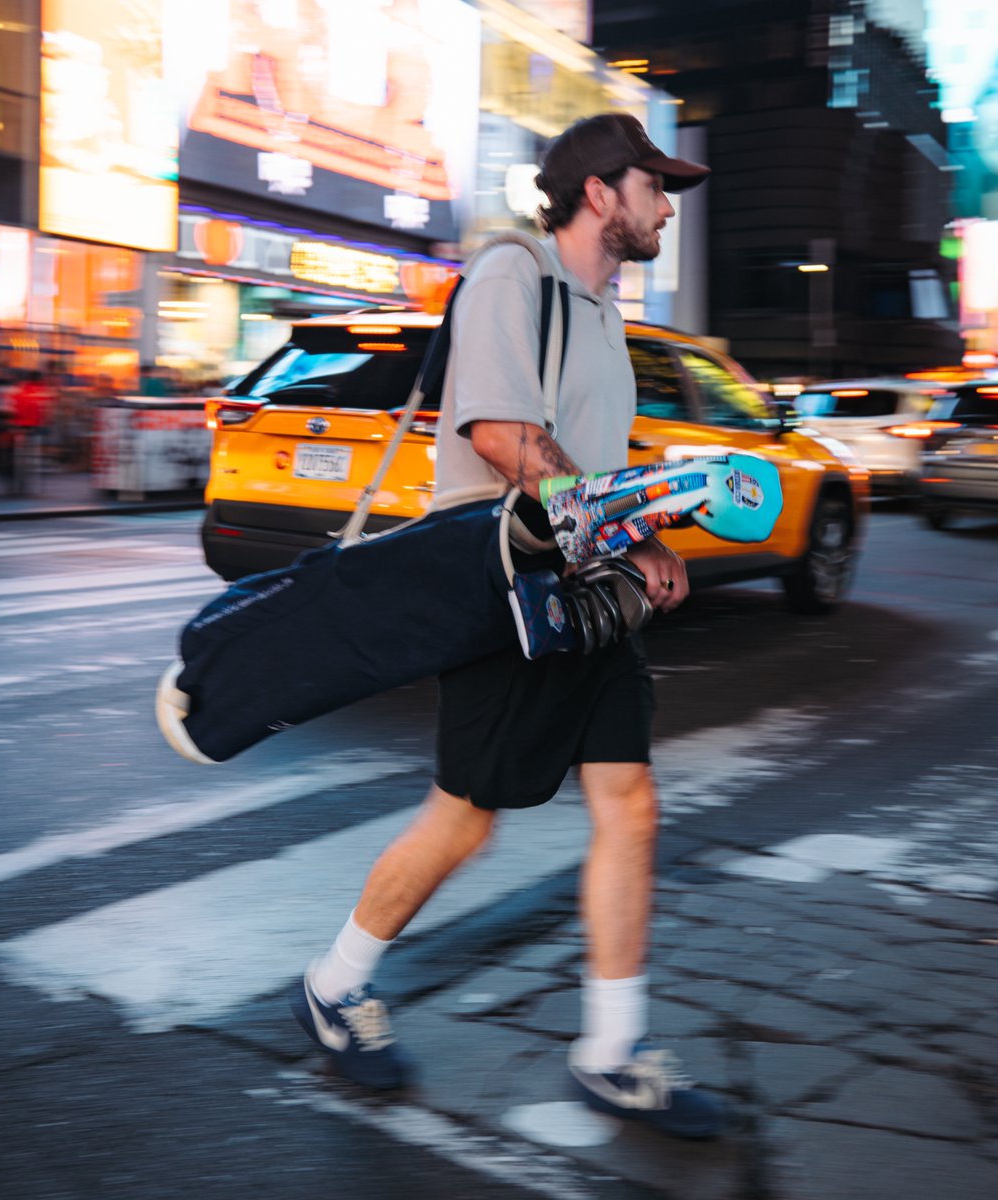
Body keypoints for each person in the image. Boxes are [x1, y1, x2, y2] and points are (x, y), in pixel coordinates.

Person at [293, 113, 723, 1138]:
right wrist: (618, 525)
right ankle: (334, 983)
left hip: (588, 588)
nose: (668, 206)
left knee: (631, 802)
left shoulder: (606, 311)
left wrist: (641, 538)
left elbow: (585, 468)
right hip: (505, 586)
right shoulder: (511, 277)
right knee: (467, 818)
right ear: (597, 191)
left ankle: (612, 1050)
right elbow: (499, 436)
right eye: (654, 186)